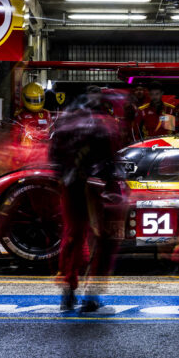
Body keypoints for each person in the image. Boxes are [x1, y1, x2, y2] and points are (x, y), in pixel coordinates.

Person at [48, 91, 124, 312]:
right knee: (103, 240)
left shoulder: (64, 124)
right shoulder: (107, 125)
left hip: (71, 185)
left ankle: (68, 292)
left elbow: (53, 160)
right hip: (99, 186)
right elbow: (112, 159)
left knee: (72, 236)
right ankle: (91, 294)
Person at [9, 82, 53, 167]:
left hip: (43, 154)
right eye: (32, 100)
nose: (35, 103)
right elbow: (14, 139)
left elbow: (52, 133)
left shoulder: (46, 114)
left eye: (38, 99)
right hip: (27, 156)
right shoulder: (20, 115)